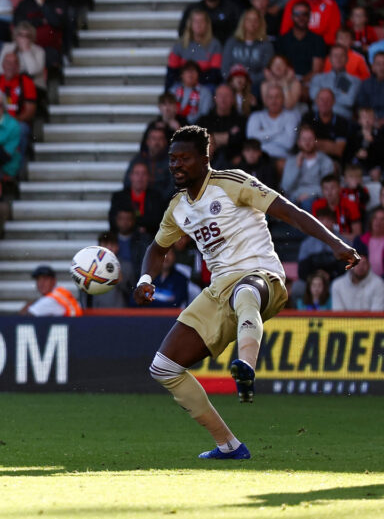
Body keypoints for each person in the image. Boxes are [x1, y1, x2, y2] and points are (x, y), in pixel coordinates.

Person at [135, 126, 358, 460]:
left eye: (184, 158)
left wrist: (336, 244)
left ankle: (245, 366)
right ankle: (228, 445)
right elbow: (157, 247)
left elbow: (289, 211)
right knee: (163, 367)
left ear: (204, 159)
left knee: (244, 292)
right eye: (172, 159)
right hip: (217, 291)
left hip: (262, 276)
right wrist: (145, 278)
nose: (176, 165)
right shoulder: (178, 207)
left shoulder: (232, 182)